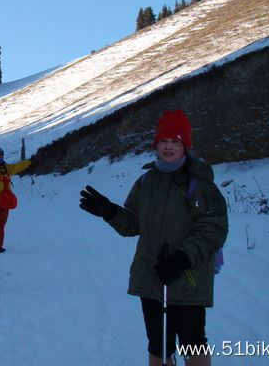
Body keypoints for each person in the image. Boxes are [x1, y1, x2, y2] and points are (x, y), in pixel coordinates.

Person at [79, 110, 228, 366]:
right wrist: (110, 212)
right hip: (151, 277)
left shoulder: (199, 183)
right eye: (163, 141)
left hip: (187, 278)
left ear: (185, 145)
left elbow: (213, 228)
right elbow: (133, 224)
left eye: (175, 141)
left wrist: (181, 259)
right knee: (159, 345)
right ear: (156, 145)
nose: (168, 147)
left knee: (193, 343)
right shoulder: (146, 181)